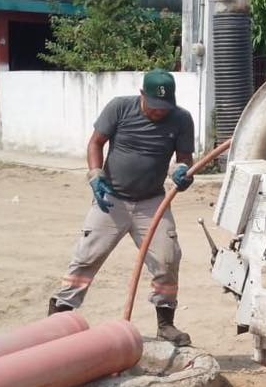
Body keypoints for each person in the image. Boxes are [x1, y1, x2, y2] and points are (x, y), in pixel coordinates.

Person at [48, 69, 196, 345]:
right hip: (111, 200)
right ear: (142, 95)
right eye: (154, 106)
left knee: (167, 259)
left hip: (152, 202)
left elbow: (184, 158)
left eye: (165, 107)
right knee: (86, 258)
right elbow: (95, 143)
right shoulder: (119, 108)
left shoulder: (181, 118)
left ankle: (166, 324)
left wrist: (182, 171)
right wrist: (95, 175)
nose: (159, 112)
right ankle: (57, 319)